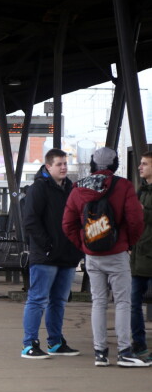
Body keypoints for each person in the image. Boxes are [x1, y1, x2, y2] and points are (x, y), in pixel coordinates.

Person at [63, 147, 147, 367]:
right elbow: (136, 219)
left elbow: (67, 223)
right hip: (117, 253)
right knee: (122, 302)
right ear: (114, 164)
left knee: (98, 302)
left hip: (92, 255)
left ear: (92, 164)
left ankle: (100, 353)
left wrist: (83, 244)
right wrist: (128, 243)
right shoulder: (123, 186)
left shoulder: (79, 188)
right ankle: (124, 352)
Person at [21, 148, 83, 360]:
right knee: (37, 299)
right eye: (59, 164)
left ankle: (55, 342)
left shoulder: (70, 189)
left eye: (65, 163)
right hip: (45, 256)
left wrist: (76, 247)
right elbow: (30, 220)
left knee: (59, 300)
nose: (64, 167)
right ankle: (29, 344)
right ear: (48, 166)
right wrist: (47, 245)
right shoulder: (38, 188)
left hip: (67, 255)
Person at [130, 151, 152, 361]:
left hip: (148, 255)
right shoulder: (141, 190)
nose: (140, 167)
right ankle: (139, 343)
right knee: (132, 302)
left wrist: (142, 211)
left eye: (144, 164)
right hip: (138, 257)